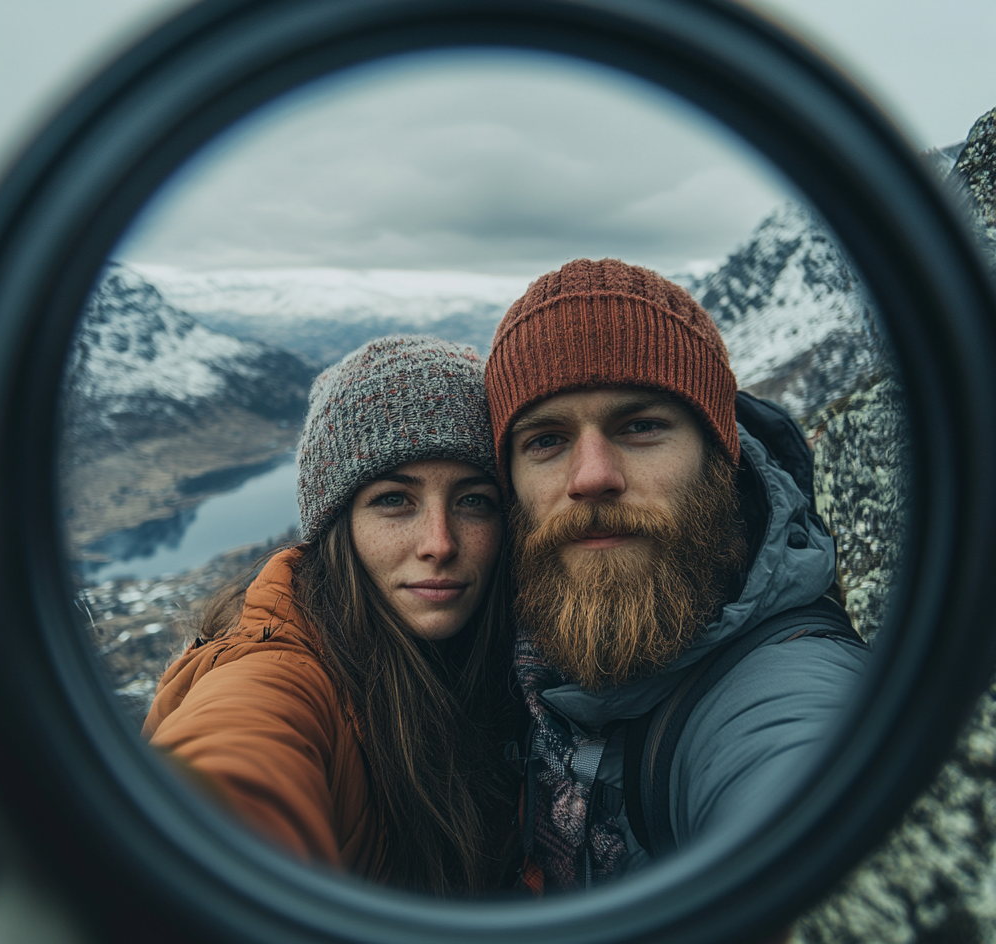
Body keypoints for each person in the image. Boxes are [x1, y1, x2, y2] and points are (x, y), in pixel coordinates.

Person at [485, 258, 872, 893]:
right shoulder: (513, 632)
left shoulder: (793, 694)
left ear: (720, 458)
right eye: (546, 441)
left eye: (640, 426)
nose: (591, 476)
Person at [143, 336, 518, 896]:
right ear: (336, 527)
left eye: (474, 501)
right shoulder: (279, 676)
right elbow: (226, 784)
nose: (439, 543)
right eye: (394, 499)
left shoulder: (522, 665)